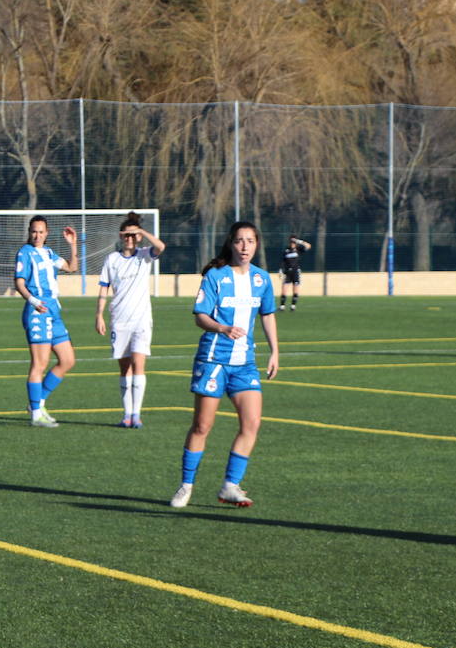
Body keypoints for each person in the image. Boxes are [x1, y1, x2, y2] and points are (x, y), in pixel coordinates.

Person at [169, 222, 279, 509]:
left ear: (257, 244)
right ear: (231, 244)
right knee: (202, 426)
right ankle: (186, 485)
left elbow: (267, 315)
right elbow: (199, 316)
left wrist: (275, 352)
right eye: (240, 241)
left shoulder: (262, 279)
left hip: (245, 363)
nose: (245, 247)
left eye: (250, 241)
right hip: (214, 360)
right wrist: (221, 327)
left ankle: (230, 485)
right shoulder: (215, 276)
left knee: (252, 423)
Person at [95, 213, 166, 428]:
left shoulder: (145, 255)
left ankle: (136, 414)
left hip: (141, 320)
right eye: (127, 235)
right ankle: (126, 414)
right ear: (121, 236)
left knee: (139, 364)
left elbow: (161, 246)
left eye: (133, 236)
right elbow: (104, 288)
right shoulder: (112, 259)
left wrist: (141, 231)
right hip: (119, 320)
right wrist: (99, 314)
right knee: (124, 368)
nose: (130, 239)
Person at [14, 215, 79, 427]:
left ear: (47, 233)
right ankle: (35, 415)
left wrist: (73, 245)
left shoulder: (50, 253)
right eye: (34, 231)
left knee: (68, 360)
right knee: (39, 364)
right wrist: (33, 301)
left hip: (54, 312)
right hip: (38, 312)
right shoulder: (25, 253)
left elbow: (71, 267)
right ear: (29, 232)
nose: (37, 235)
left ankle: (38, 403)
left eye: (41, 231)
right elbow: (19, 283)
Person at [279, 234, 312, 311]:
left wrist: (298, 241)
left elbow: (309, 246)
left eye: (293, 241)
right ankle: (282, 306)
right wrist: (280, 270)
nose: (292, 243)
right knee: (284, 289)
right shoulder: (286, 250)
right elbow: (283, 261)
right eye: (291, 241)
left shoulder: (299, 249)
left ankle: (293, 306)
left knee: (295, 289)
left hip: (295, 272)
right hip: (287, 272)